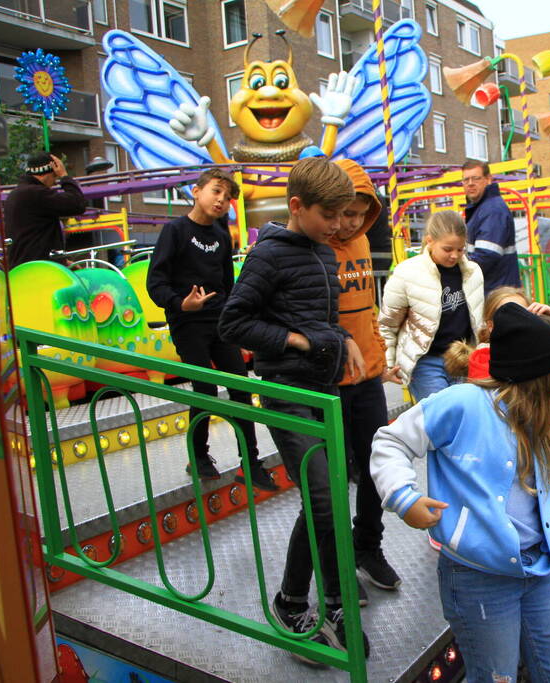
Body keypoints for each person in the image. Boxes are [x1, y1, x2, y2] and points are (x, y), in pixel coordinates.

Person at [371, 302, 550, 682]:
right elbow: (390, 441)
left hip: (536, 568)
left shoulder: (534, 416)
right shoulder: (462, 404)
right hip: (478, 576)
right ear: (530, 375)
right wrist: (403, 498)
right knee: (496, 676)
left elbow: (527, 487)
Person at [218, 157, 367, 662]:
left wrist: (341, 337)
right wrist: (297, 342)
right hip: (286, 388)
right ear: (298, 206)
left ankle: (294, 600)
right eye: (331, 215)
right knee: (325, 500)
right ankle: (325, 605)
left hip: (321, 388)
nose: (339, 225)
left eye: (345, 215)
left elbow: (320, 316)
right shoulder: (269, 256)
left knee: (323, 497)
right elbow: (233, 323)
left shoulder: (323, 253)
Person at [445, 287, 550, 589]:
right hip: (507, 523)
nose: (517, 325)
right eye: (506, 318)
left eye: (525, 316)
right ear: (489, 328)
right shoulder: (486, 375)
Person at [145, 168, 277, 490]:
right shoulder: (175, 231)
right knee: (205, 387)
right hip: (187, 322)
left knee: (240, 387)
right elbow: (155, 282)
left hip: (218, 322)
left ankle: (251, 461)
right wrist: (179, 304)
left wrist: (237, 322)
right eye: (216, 191)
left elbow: (227, 286)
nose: (221, 200)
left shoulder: (220, 237)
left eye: (227, 196)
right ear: (196, 191)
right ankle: (199, 455)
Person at [329, 159, 401, 591]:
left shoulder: (359, 243)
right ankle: (337, 562)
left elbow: (366, 309)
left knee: (377, 465)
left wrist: (378, 357)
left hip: (367, 377)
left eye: (360, 214)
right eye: (345, 213)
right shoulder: (317, 245)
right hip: (329, 382)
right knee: (336, 475)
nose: (352, 223)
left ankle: (367, 545)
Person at [378, 210, 484, 401]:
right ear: (429, 241)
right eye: (447, 249)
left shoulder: (473, 272)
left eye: (460, 249)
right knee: (440, 414)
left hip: (462, 357)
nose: (454, 255)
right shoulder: (407, 272)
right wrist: (387, 363)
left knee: (464, 413)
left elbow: (478, 319)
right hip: (425, 360)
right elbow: (388, 324)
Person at [4, 151, 87, 268]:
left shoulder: (15, 195)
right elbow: (77, 204)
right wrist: (64, 176)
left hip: (22, 267)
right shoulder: (36, 193)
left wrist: (62, 261)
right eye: (54, 176)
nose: (54, 182)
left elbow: (32, 235)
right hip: (40, 270)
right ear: (46, 173)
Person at [462, 160, 520, 292]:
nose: (470, 183)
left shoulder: (492, 210)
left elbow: (487, 255)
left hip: (495, 292)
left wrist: (455, 269)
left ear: (488, 179)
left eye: (476, 178)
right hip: (496, 289)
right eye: (466, 180)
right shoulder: (483, 208)